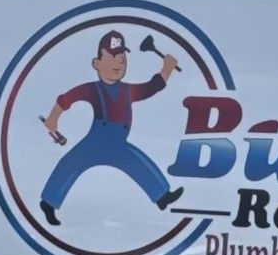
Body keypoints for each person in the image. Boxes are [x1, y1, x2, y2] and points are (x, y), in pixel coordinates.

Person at [37, 30, 184, 225]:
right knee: (70, 164)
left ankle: (162, 196)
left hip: (118, 143)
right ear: (97, 64)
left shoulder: (128, 90)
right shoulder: (92, 89)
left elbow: (151, 87)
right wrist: (53, 119)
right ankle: (48, 202)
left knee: (139, 162)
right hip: (97, 140)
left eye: (122, 58)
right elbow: (67, 98)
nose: (119, 62)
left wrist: (166, 69)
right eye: (113, 56)